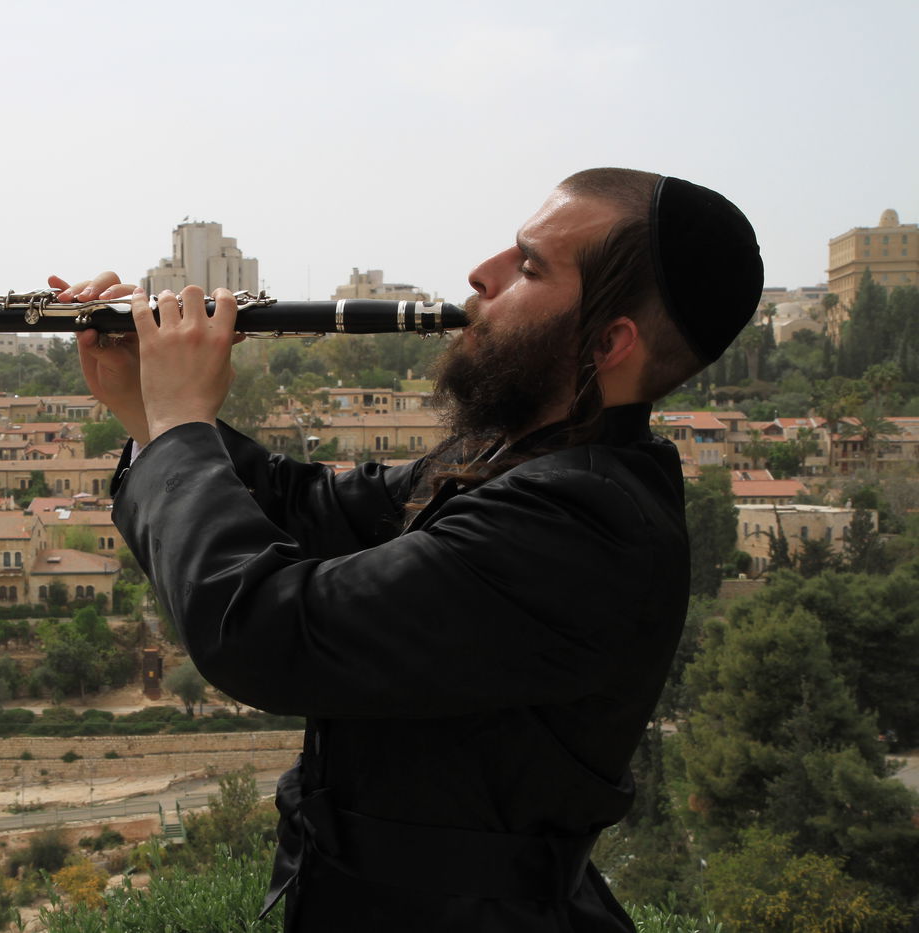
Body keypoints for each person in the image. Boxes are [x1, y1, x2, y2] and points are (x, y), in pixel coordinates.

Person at [53, 167, 763, 931]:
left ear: (608, 341)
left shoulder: (583, 525)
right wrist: (146, 404)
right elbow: (309, 510)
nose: (480, 274)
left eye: (528, 266)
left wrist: (185, 423)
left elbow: (261, 630)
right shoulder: (514, 460)